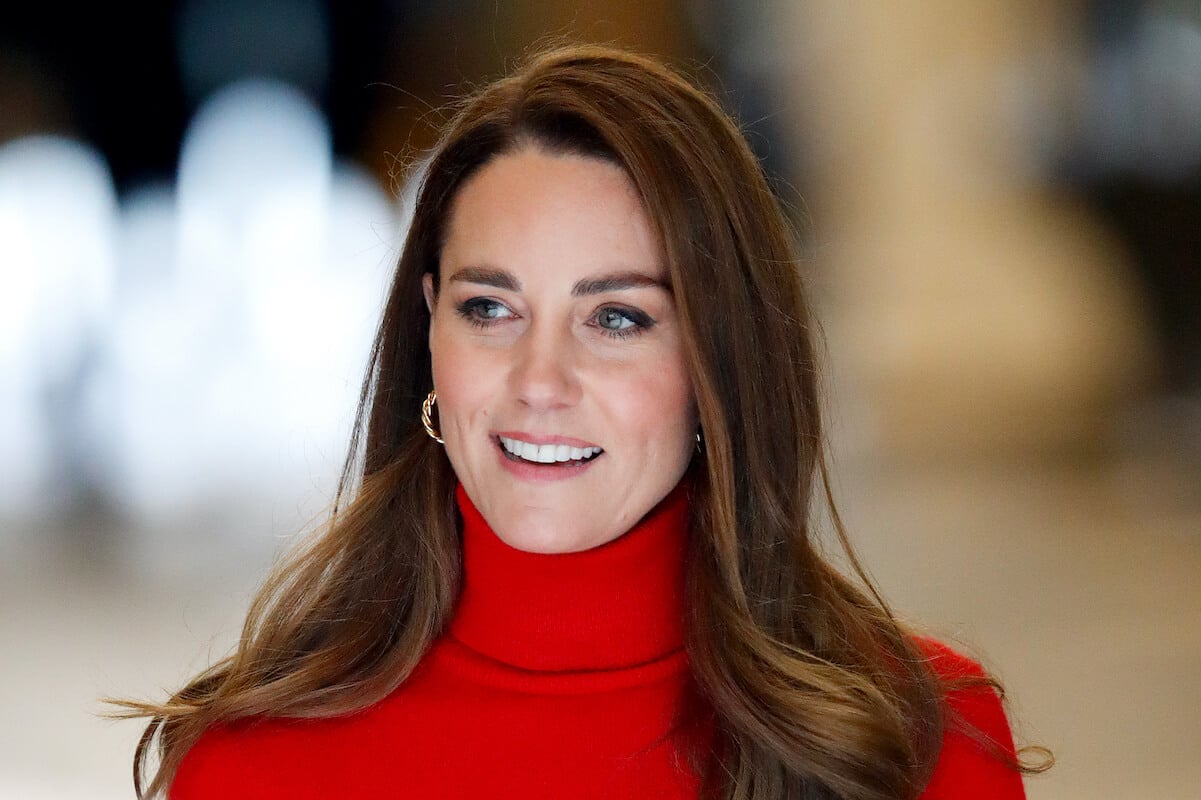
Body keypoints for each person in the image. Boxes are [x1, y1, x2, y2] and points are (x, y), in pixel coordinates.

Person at [120, 43, 1049, 799]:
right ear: (429, 329)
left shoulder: (914, 742)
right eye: (490, 309)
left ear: (718, 359)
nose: (540, 381)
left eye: (616, 318)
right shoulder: (252, 764)